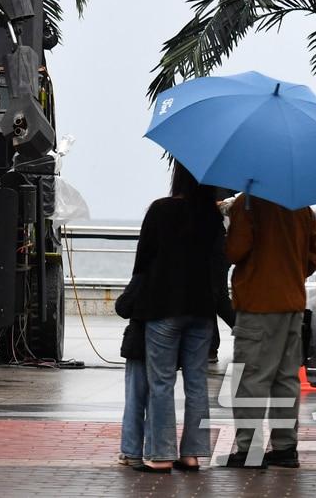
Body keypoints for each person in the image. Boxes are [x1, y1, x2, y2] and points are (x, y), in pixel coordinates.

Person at [134, 163, 226, 472]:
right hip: (201, 311)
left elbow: (142, 261)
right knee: (197, 381)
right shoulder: (213, 218)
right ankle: (192, 453)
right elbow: (219, 268)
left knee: (161, 381)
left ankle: (161, 454)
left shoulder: (160, 211)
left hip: (163, 307)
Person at [224, 190, 316, 468]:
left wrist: (231, 218)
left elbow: (235, 250)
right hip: (292, 301)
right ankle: (284, 447)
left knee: (252, 378)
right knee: (286, 378)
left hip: (258, 303)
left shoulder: (249, 203)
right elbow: (313, 255)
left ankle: (249, 450)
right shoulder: (301, 204)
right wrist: (290, 271)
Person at [114, 271, 149, 469]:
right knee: (159, 398)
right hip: (169, 347)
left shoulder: (145, 273)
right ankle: (157, 451)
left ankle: (131, 451)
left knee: (135, 399)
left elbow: (123, 307)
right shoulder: (180, 274)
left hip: (140, 344)